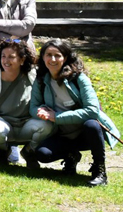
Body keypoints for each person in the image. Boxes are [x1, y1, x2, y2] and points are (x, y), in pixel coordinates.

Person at [25, 39, 120, 187]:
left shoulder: (79, 78)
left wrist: (56, 117)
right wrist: (41, 111)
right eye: (48, 55)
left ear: (66, 58)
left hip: (85, 134)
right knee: (43, 154)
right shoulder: (41, 79)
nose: (53, 59)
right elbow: (33, 107)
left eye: (58, 55)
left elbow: (92, 110)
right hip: (62, 133)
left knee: (92, 125)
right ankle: (71, 156)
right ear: (43, 57)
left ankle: (99, 170)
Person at [0, 39, 47, 166]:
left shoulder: (33, 76)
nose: (6, 60)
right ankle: (3, 150)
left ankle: (29, 151)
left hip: (26, 124)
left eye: (11, 57)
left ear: (22, 60)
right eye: (3, 56)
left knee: (47, 125)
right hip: (3, 123)